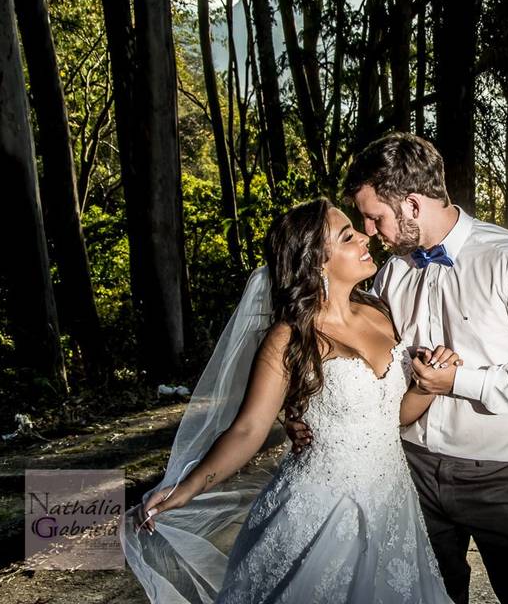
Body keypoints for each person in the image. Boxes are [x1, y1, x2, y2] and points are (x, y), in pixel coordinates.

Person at [286, 133, 508, 603]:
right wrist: (310, 416)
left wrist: (460, 381)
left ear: (410, 204)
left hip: (497, 477)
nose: (368, 230)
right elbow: (350, 355)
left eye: (374, 216)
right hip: (409, 472)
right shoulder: (391, 274)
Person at [123, 198, 454, 604]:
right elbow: (248, 429)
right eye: (348, 236)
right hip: (322, 510)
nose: (367, 237)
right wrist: (184, 488)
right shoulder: (289, 338)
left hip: (392, 503)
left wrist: (424, 388)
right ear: (316, 261)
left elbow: (391, 417)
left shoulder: (378, 312)